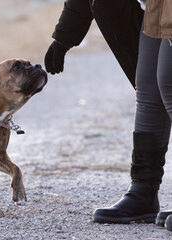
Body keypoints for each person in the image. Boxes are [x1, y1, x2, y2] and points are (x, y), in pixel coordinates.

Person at [44, 0, 172, 230]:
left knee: (168, 82)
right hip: (158, 7)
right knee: (148, 89)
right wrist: (65, 36)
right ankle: (143, 190)